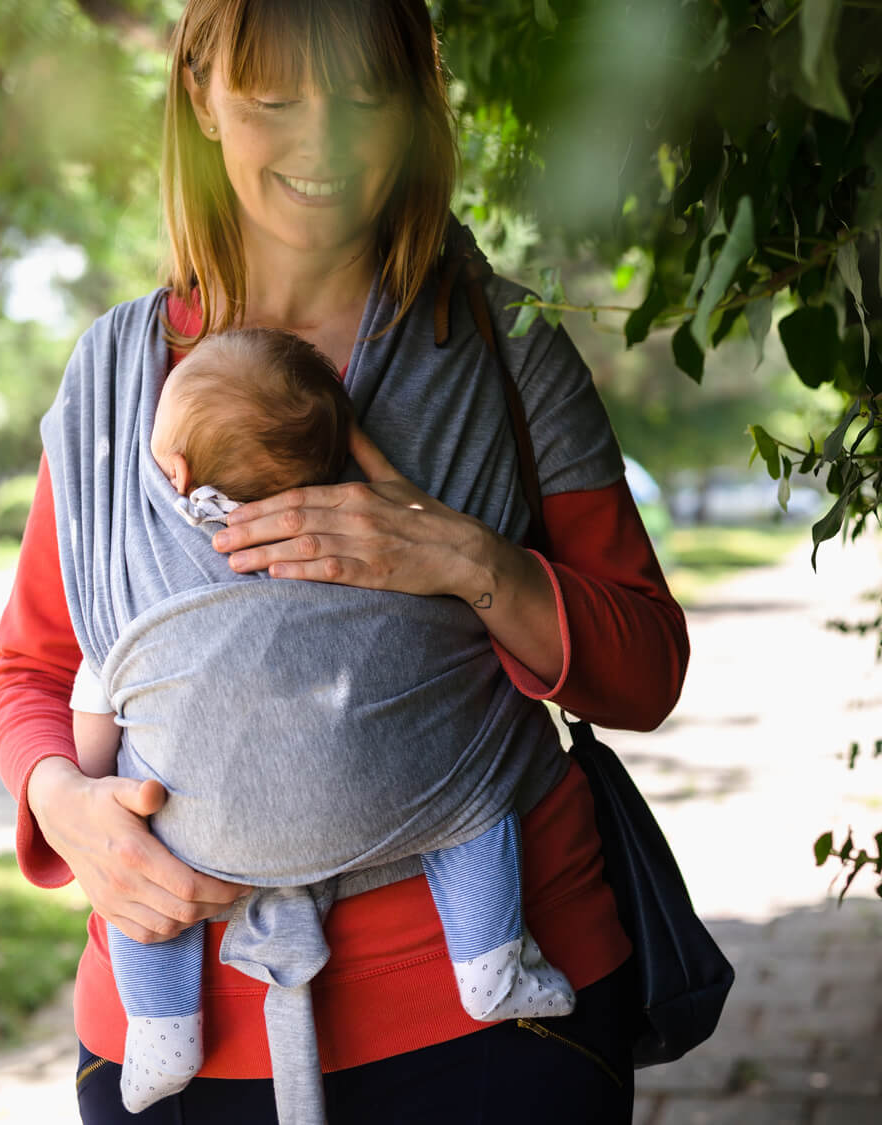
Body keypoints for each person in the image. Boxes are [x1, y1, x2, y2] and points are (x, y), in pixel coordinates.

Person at [0, 1, 689, 1121]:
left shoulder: (505, 352)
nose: (326, 145)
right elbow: (31, 672)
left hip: (501, 1019)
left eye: (365, 99)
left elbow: (645, 668)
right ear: (202, 93)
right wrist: (66, 805)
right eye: (273, 101)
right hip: (181, 1033)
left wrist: (468, 560)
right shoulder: (114, 381)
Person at [67, 324, 575, 1112]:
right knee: (472, 790)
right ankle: (490, 964)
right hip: (399, 803)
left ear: (174, 473)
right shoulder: (370, 537)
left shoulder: (142, 569)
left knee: (145, 874)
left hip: (207, 831)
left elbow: (96, 706)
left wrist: (85, 780)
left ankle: (163, 1029)